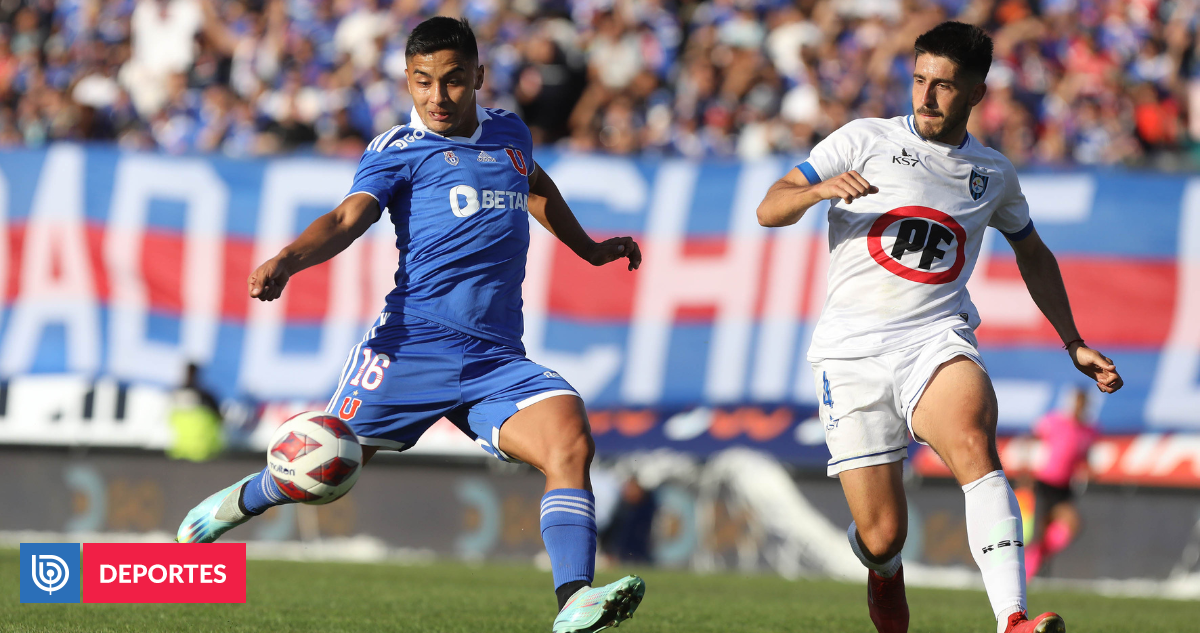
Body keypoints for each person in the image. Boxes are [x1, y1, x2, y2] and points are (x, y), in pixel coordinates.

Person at [175, 17, 646, 633]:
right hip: (409, 351)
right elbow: (348, 218)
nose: (437, 97)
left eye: (452, 82)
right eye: (422, 82)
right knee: (320, 469)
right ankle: (229, 508)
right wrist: (288, 259)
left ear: (478, 77)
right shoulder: (399, 150)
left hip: (496, 360)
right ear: (407, 79)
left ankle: (573, 603)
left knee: (570, 441)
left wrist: (587, 248)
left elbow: (532, 184)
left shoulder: (509, 133)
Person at [755, 21, 1122, 633]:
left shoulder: (992, 174)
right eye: (920, 80)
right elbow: (770, 207)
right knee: (880, 534)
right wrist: (817, 190)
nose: (926, 96)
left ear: (976, 93)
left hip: (935, 339)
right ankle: (882, 566)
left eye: (944, 86)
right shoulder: (861, 139)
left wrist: (1073, 341)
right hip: (851, 356)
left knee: (978, 445)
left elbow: (1033, 253)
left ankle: (1012, 619)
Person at [1024, 387, 1097, 580]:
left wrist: (1087, 471)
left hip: (1064, 488)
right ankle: (1029, 572)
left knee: (1072, 524)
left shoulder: (1089, 431)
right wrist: (1027, 471)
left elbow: (1083, 457)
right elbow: (1031, 441)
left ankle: (1037, 559)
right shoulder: (1053, 421)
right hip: (1044, 483)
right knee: (1039, 530)